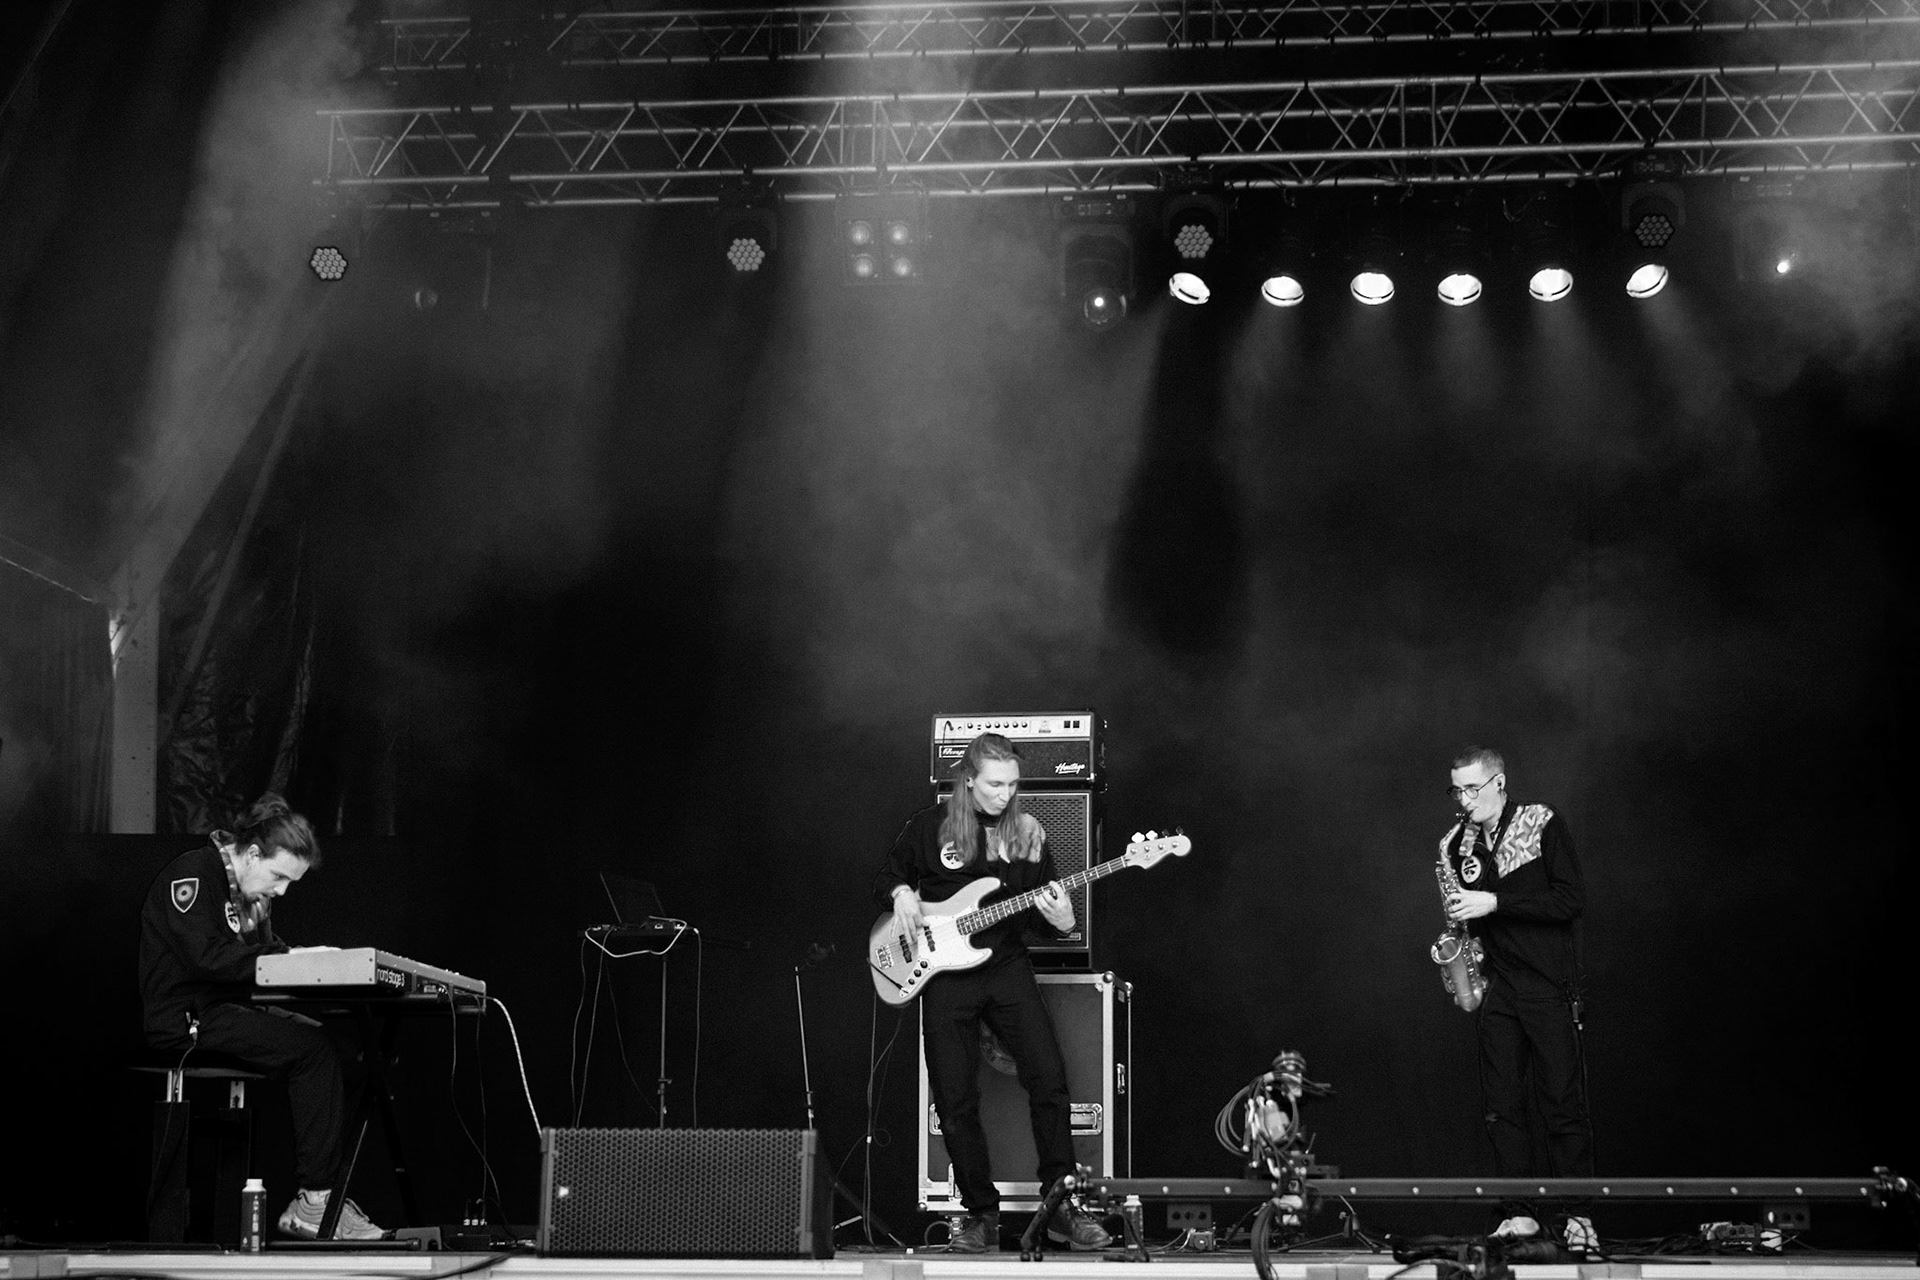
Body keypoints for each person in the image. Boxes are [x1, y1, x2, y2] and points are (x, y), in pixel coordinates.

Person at [872, 733, 1111, 1254]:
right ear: (969, 781)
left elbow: (1046, 923)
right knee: (954, 1097)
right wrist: (903, 894)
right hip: (945, 976)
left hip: (1004, 965)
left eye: (1013, 785)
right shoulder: (928, 826)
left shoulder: (1027, 834)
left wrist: (1064, 920)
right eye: (995, 785)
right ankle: (979, 1214)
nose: (1006, 795)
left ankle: (1060, 1205)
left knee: (1049, 1079)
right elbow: (885, 877)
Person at [139, 793, 386, 1241]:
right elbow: (208, 957)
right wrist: (291, 956)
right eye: (278, 876)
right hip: (187, 1018)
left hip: (229, 1010)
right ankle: (315, 1201)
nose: (282, 890)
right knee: (312, 1052)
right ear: (252, 853)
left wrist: (316, 966)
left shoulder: (251, 895)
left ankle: (323, 1197)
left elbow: (260, 966)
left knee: (347, 1054)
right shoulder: (193, 873)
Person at [1441, 747, 1595, 1249]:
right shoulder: (1456, 845)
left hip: (1549, 984)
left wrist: (1497, 902)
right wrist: (1461, 943)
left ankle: (1577, 1217)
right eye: (1456, 791)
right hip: (1499, 988)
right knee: (1501, 1107)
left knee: (1561, 1103)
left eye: (1472, 789)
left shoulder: (1540, 820)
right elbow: (1464, 919)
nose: (1463, 801)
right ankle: (1520, 1212)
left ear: (1499, 783)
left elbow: (1571, 900)